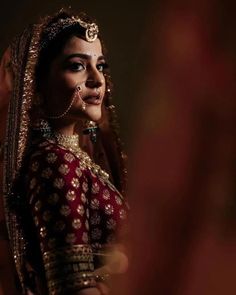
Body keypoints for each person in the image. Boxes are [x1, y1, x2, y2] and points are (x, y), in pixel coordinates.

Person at [1, 9, 128, 295]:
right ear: (37, 86)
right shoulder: (55, 161)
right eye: (77, 66)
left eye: (101, 66)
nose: (97, 79)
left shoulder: (74, 158)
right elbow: (73, 286)